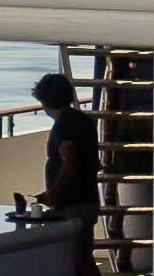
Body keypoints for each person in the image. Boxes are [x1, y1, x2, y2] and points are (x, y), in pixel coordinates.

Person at [24, 72, 99, 222]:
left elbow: (71, 162)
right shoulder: (84, 120)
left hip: (71, 206)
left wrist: (53, 194)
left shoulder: (63, 126)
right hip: (88, 200)